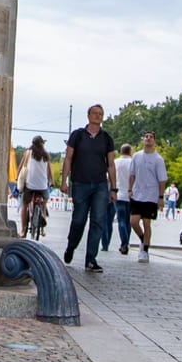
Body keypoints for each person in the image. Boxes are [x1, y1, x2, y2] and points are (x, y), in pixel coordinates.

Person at [61, 104, 117, 272]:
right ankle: (71, 246)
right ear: (88, 115)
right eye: (95, 113)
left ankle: (91, 259)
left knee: (98, 221)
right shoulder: (78, 135)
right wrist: (64, 181)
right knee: (79, 219)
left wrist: (113, 188)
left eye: (101, 114)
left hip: (100, 184)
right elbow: (68, 158)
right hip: (80, 183)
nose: (98, 116)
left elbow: (111, 164)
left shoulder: (106, 138)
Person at [127, 133, 169, 261]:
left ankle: (145, 250)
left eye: (151, 137)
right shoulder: (137, 156)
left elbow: (162, 180)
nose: (148, 138)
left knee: (146, 222)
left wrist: (160, 197)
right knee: (133, 221)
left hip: (151, 195)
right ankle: (143, 239)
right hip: (137, 193)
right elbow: (132, 174)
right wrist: (129, 189)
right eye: (146, 136)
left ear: (154, 141)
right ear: (143, 140)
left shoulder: (158, 159)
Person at [16, 136, 51, 237]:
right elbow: (48, 171)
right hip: (43, 186)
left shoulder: (28, 153)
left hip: (30, 185)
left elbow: (22, 166)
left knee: (24, 205)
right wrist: (49, 182)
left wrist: (17, 177)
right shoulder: (46, 155)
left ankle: (22, 231)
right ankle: (43, 228)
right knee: (44, 205)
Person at [109, 143, 134, 254]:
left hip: (118, 194)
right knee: (129, 221)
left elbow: (108, 177)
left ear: (121, 151)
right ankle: (126, 242)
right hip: (131, 195)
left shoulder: (116, 162)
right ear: (130, 151)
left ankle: (124, 243)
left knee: (121, 220)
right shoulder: (133, 163)